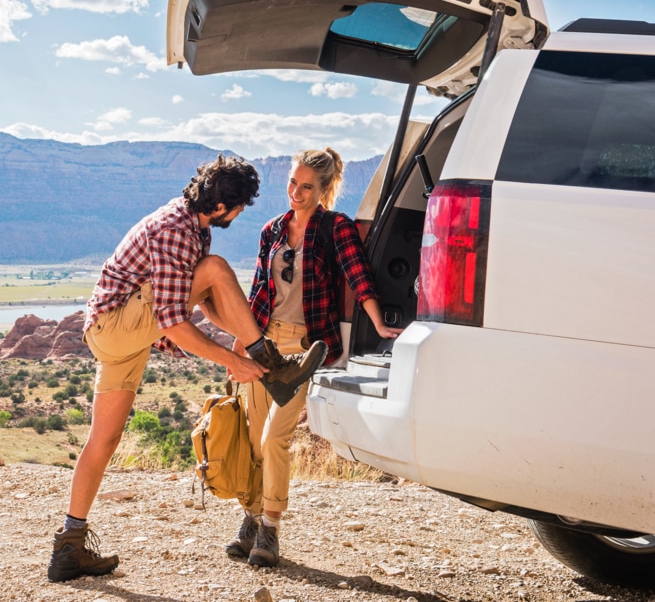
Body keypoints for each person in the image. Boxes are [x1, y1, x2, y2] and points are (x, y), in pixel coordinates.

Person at [48, 155, 328, 583]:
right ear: (222, 206)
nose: (238, 214)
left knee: (103, 440)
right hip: (118, 325)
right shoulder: (177, 229)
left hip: (119, 336)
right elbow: (174, 322)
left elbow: (208, 303)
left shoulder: (194, 226)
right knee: (216, 269)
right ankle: (274, 367)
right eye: (239, 207)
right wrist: (237, 360)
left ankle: (69, 545)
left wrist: (245, 347)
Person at [226, 148, 403, 568]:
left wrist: (378, 323)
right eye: (292, 183)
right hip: (263, 344)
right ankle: (249, 518)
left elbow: (358, 275)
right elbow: (256, 293)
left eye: (307, 187)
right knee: (254, 440)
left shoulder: (333, 228)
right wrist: (239, 340)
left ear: (325, 189)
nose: (296, 193)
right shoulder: (271, 230)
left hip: (306, 350)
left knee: (274, 438)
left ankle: (270, 528)